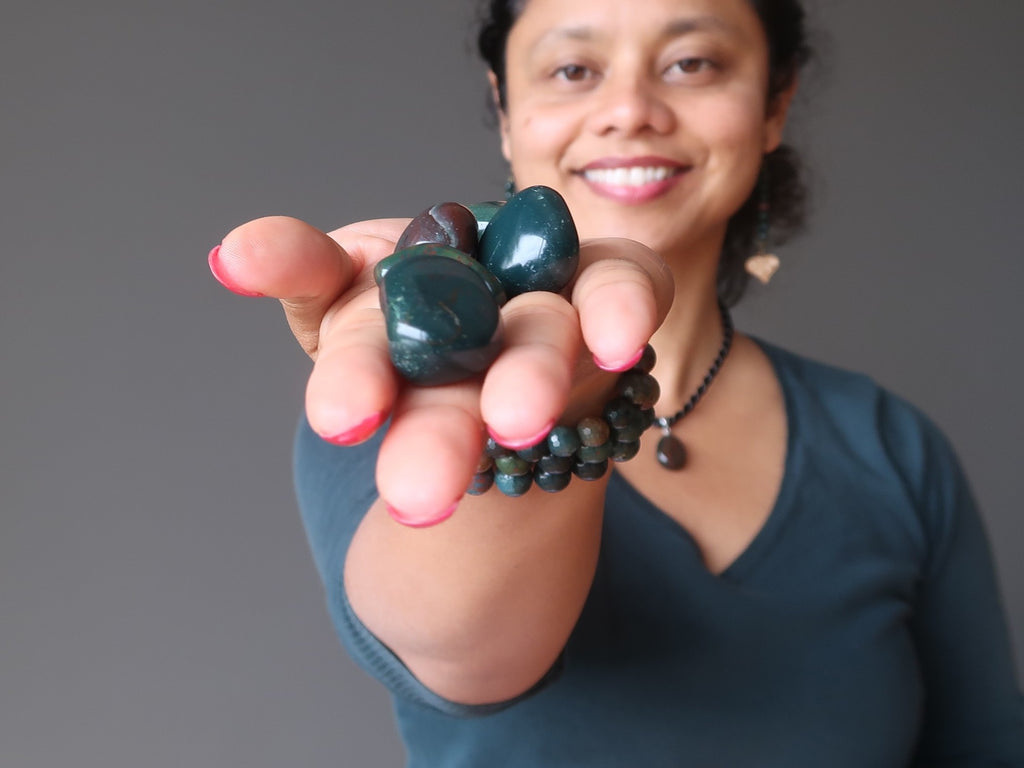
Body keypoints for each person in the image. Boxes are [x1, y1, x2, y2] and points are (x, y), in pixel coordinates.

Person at [208, 0, 1024, 764]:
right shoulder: (394, 399)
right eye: (574, 70)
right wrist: (565, 399)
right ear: (504, 105)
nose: (630, 108)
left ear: (775, 103)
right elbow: (471, 653)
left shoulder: (891, 448)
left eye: (692, 63)